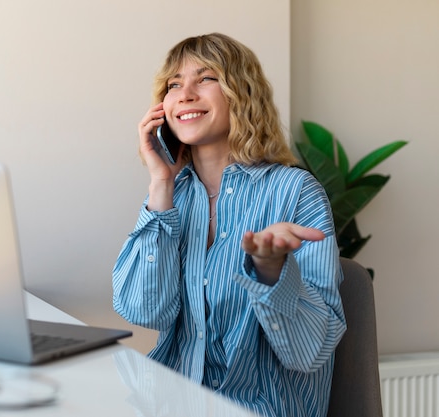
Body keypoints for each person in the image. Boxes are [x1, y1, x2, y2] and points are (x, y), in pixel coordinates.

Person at [112, 33, 346, 417]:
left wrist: (272, 274)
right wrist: (160, 183)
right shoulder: (173, 195)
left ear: (242, 93)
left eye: (205, 78)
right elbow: (144, 311)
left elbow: (311, 352)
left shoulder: (296, 192)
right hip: (173, 404)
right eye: (174, 84)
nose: (184, 93)